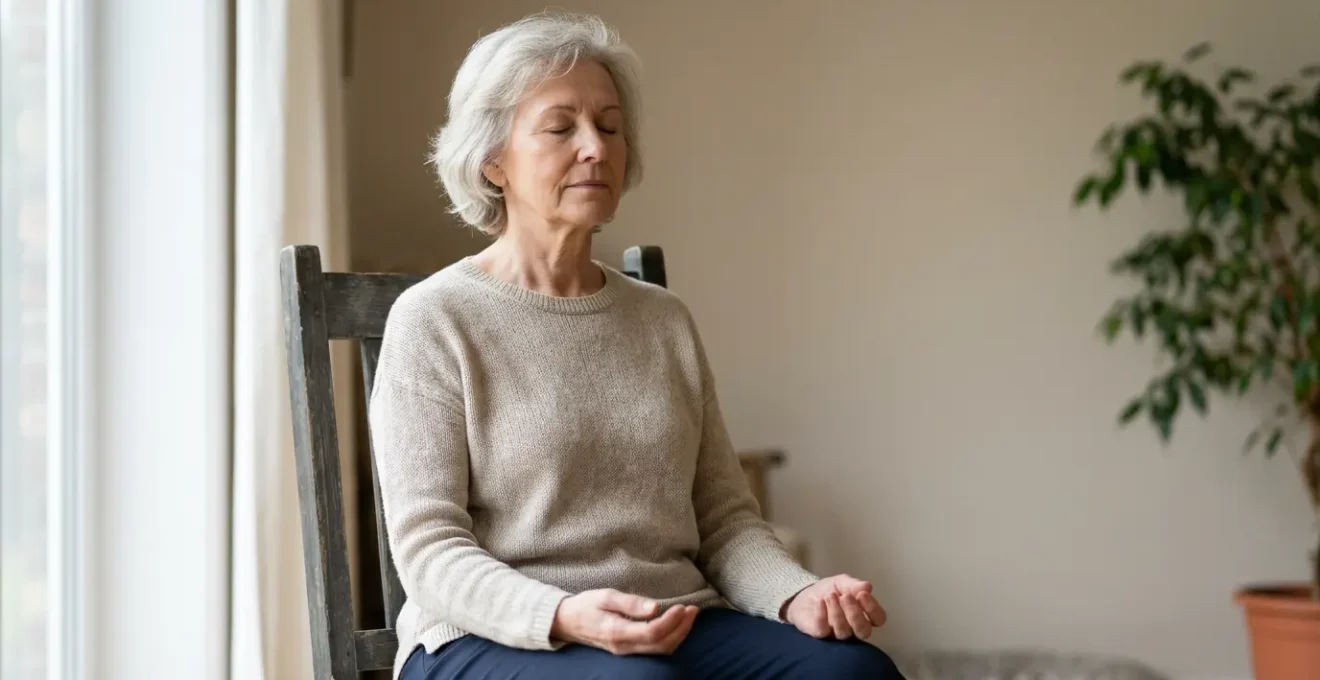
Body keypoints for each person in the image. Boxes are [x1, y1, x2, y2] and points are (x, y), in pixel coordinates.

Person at [370, 11, 905, 680]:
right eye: (561, 127)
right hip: (490, 636)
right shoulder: (434, 319)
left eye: (610, 126)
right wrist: (563, 615)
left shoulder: (662, 320)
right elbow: (429, 550)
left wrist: (797, 594)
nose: (595, 146)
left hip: (674, 620)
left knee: (853, 672)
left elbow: (726, 521)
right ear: (492, 160)